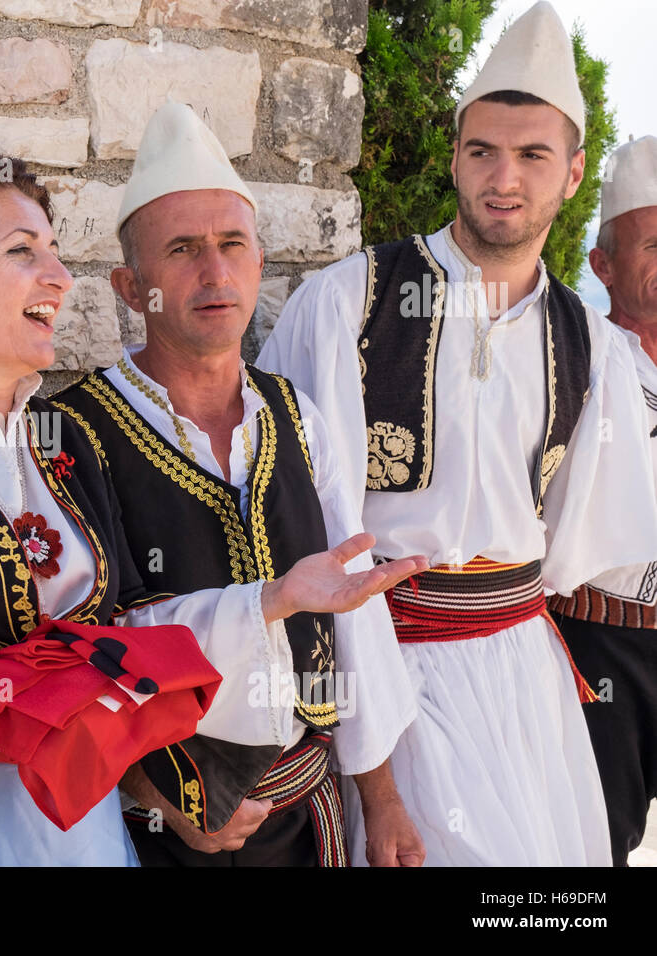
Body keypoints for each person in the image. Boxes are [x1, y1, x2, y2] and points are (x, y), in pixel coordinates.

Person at [0, 139, 426, 867]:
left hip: (86, 832)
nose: (58, 276)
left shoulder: (58, 441)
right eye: (23, 253)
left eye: (54, 251)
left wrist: (270, 601)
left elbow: (126, 635)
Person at [259, 1, 657, 865]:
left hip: (526, 682)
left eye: (531, 155)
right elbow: (305, 529)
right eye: (482, 151)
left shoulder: (590, 343)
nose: (502, 177)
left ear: (573, 173)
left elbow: (590, 548)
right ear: (453, 158)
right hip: (388, 671)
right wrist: (378, 781)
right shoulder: (348, 304)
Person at [56, 101, 425, 867]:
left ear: (259, 260)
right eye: (183, 250)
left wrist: (383, 802)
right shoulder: (72, 434)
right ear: (131, 286)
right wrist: (159, 805)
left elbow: (351, 613)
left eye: (232, 245)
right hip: (167, 831)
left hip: (309, 809)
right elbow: (72, 654)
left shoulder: (299, 417)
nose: (215, 272)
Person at [549, 134, 657, 865]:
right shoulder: (575, 361)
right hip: (602, 641)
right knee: (598, 842)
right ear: (603, 266)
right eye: (652, 245)